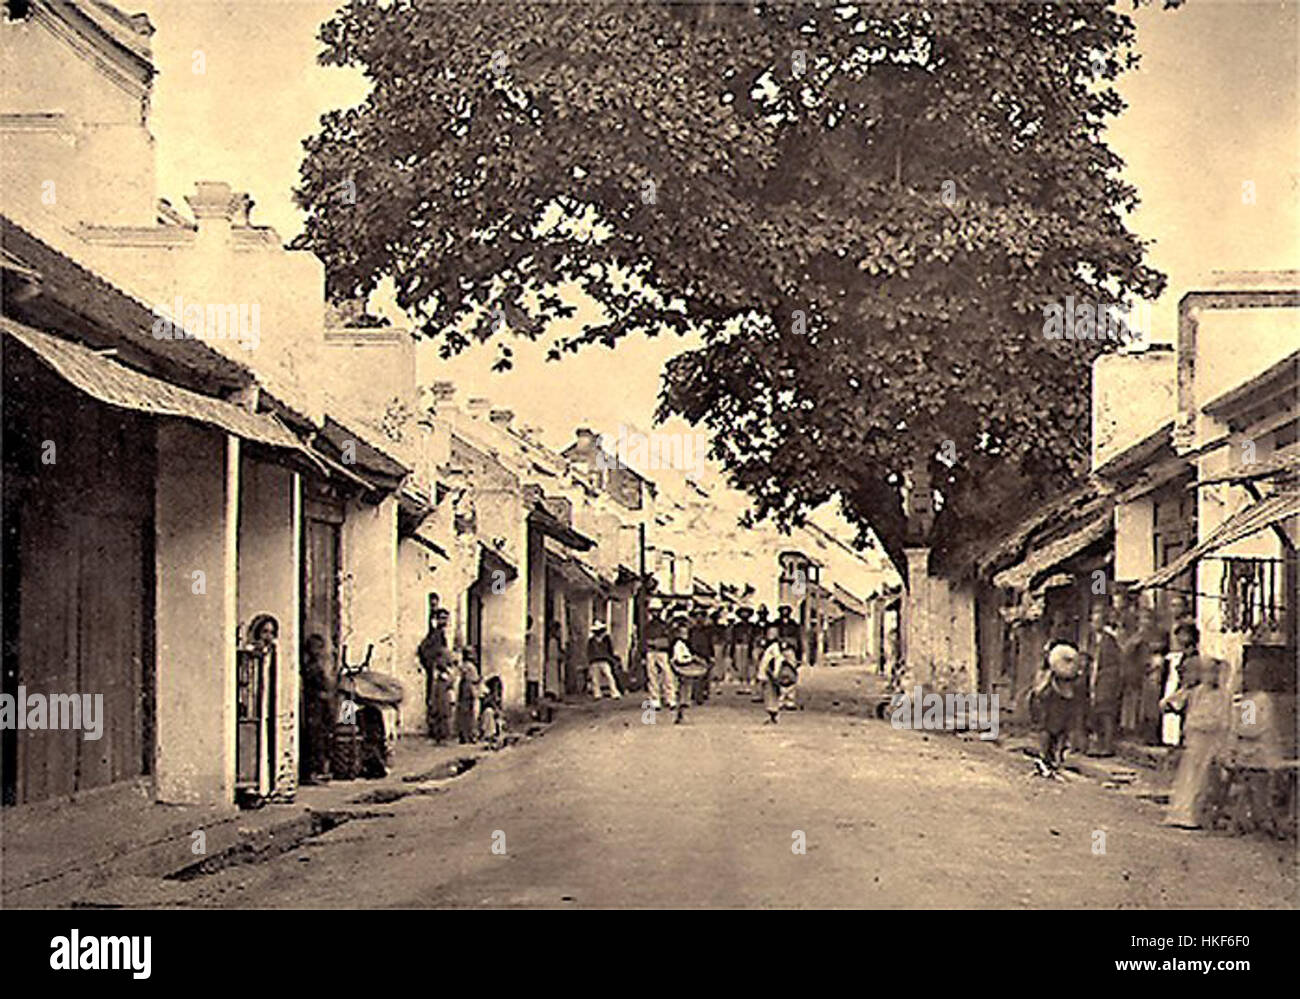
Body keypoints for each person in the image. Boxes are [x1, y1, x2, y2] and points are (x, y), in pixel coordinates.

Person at [1160, 622, 1230, 829]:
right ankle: (1181, 814)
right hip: (1195, 740)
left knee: (1204, 779)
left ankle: (1198, 816)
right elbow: (1175, 701)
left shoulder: (1222, 696)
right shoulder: (1199, 691)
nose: (1210, 677)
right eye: (1207, 673)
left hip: (1211, 740)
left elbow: (1223, 721)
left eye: (1213, 674)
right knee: (1189, 777)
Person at [1031, 643, 1083, 775]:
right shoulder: (1056, 673)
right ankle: (1050, 757)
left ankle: (1051, 757)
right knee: (1054, 732)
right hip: (1056, 705)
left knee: (1052, 731)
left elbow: (1039, 691)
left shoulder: (1053, 673)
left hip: (1055, 705)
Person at [1086, 602, 1122, 756]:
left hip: (1107, 678)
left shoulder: (1110, 640)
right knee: (1095, 712)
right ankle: (1098, 744)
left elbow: (1116, 661)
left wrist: (1108, 677)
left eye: (1098, 621)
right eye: (1093, 621)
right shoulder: (1091, 640)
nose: (1095, 624)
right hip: (1095, 677)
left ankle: (1108, 745)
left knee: (1106, 712)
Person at [300, 633, 333, 784]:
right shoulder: (311, 667)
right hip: (313, 705)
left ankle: (320, 768)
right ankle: (312, 771)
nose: (319, 651)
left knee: (321, 736)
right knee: (314, 738)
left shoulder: (318, 665)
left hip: (320, 705)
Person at [418, 607, 453, 743]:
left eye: (446, 618)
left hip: (439, 671)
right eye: (441, 618)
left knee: (442, 704)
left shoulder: (440, 634)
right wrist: (434, 664)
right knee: (437, 703)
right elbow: (425, 650)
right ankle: (436, 733)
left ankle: (440, 733)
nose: (444, 621)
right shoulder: (435, 635)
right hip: (435, 672)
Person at [669, 615, 702, 724]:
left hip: (682, 669)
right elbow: (679, 658)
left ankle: (681, 714)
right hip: (681, 669)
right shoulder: (678, 645)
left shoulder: (683, 644)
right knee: (682, 693)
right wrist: (692, 659)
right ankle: (680, 715)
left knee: (684, 692)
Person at [644, 605, 673, 711]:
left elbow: (669, 640)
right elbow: (644, 641)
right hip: (651, 652)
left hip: (663, 652)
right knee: (652, 676)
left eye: (657, 611)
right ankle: (655, 699)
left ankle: (669, 697)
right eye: (653, 611)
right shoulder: (648, 626)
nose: (655, 613)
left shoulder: (664, 626)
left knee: (667, 675)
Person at [586, 622, 622, 700]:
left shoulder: (606, 639)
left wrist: (611, 658)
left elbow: (610, 649)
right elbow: (589, 651)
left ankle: (614, 692)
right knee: (595, 678)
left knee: (609, 676)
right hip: (594, 660)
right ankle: (597, 693)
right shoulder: (591, 641)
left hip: (604, 660)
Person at [456, 648, 480, 744]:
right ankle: (470, 736)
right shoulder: (471, 667)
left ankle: (463, 736)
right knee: (470, 714)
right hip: (469, 689)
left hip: (463, 689)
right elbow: (475, 679)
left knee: (463, 713)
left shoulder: (462, 666)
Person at [731, 606, 755, 688]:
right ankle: (739, 678)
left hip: (747, 644)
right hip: (738, 645)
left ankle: (746, 678)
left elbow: (753, 636)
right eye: (742, 613)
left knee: (746, 663)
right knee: (738, 662)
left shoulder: (752, 626)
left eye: (746, 613)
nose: (744, 615)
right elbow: (733, 637)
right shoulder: (737, 626)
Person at [479, 675, 505, 749]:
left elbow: (499, 709)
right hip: (487, 717)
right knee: (489, 713)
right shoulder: (486, 696)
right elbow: (486, 706)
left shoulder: (497, 697)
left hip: (495, 717)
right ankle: (489, 737)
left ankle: (495, 738)